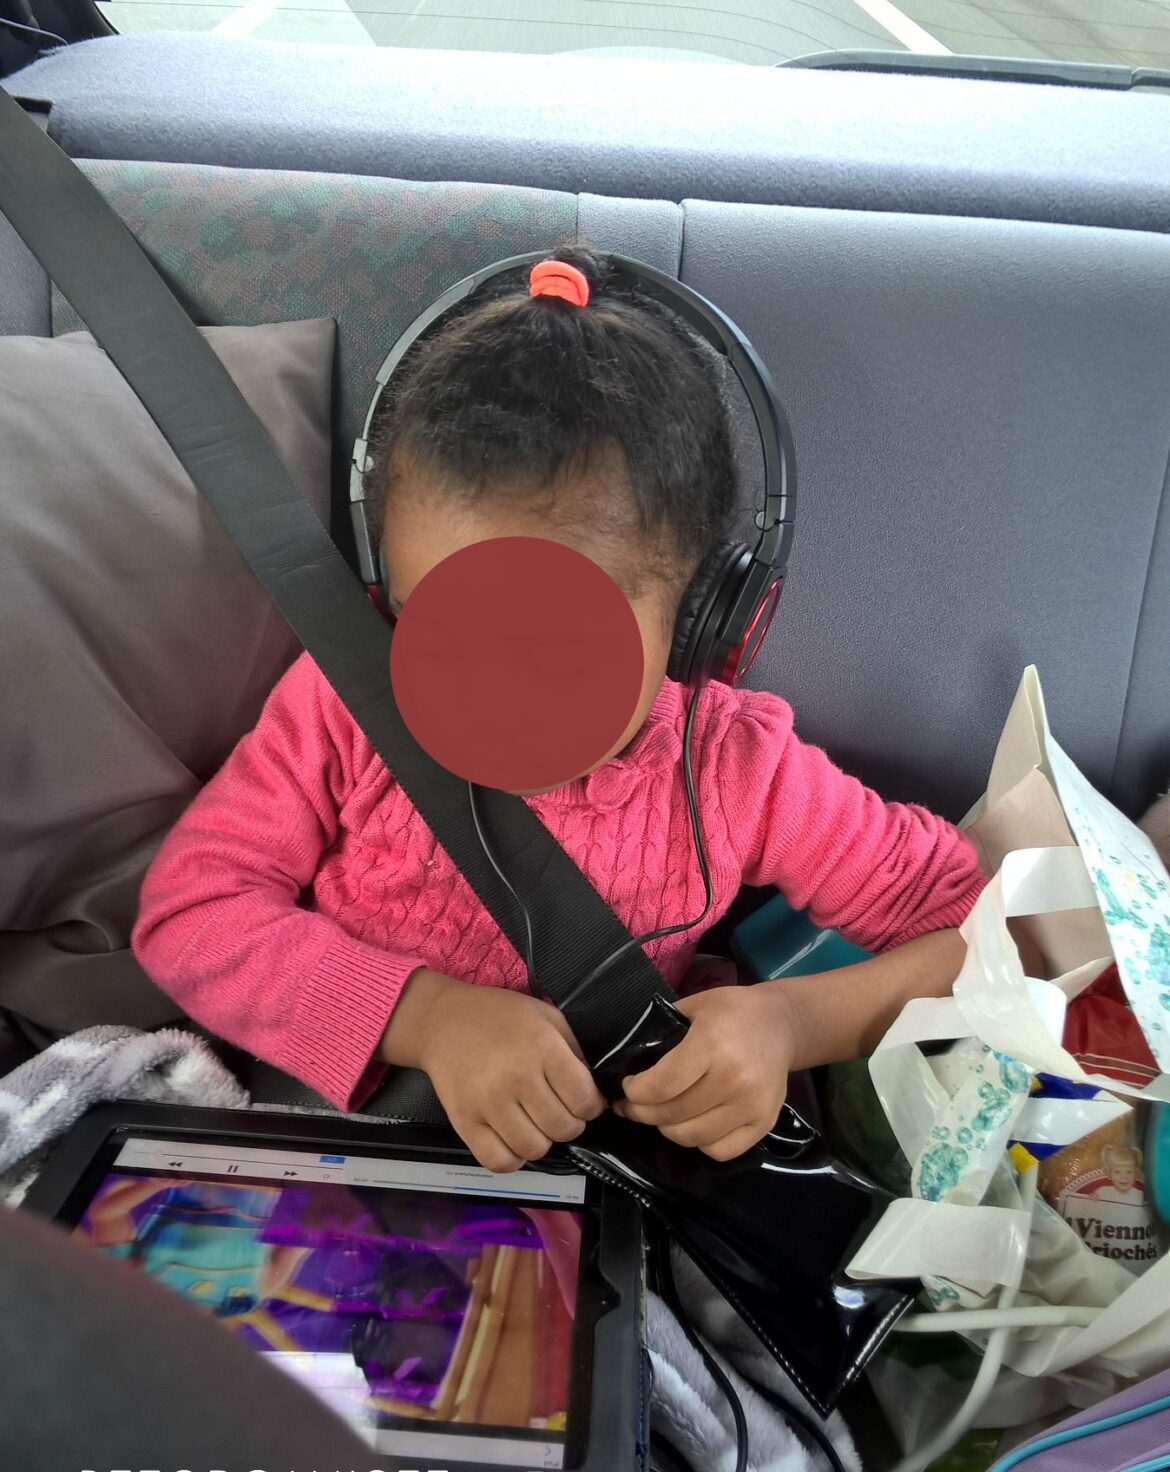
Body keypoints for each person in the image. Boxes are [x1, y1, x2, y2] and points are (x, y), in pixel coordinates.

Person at [132, 245, 986, 1174]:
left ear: (702, 622)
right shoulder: (347, 706)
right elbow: (192, 913)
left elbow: (978, 934)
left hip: (598, 1174)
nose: (487, 692)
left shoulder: (739, 769)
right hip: (351, 1151)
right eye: (436, 623)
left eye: (555, 645)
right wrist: (424, 1017)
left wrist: (790, 1024)